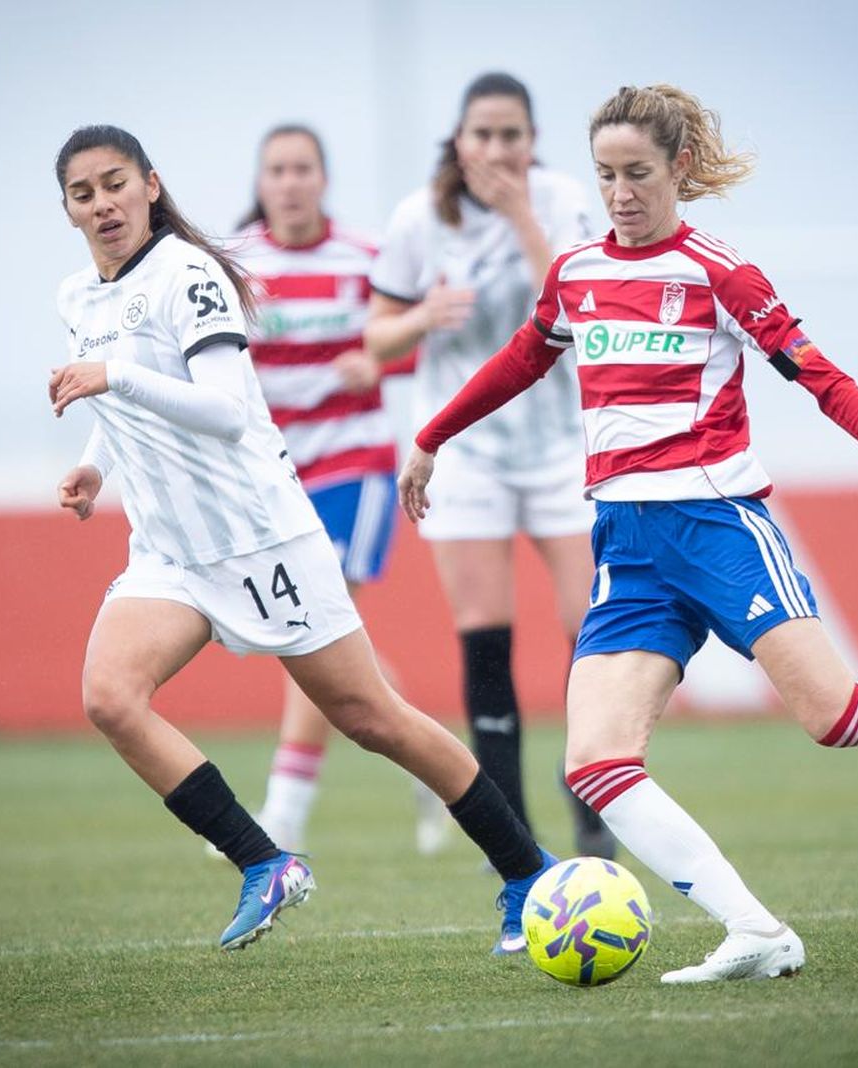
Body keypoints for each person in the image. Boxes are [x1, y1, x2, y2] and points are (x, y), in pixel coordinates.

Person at [397, 85, 858, 983]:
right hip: (626, 545)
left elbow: (822, 377)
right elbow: (525, 358)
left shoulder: (720, 272)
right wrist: (430, 436)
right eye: (605, 176)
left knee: (841, 721)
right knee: (597, 762)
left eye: (637, 174)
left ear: (678, 168)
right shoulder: (577, 272)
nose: (620, 194)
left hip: (719, 527)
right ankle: (758, 934)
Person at [47, 124, 553, 955]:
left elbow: (224, 408)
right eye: (83, 193)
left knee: (372, 717)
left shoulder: (188, 273)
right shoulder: (78, 297)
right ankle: (263, 861)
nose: (102, 204)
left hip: (259, 538)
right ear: (67, 210)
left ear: (150, 184)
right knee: (109, 696)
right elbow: (120, 397)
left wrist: (115, 378)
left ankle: (525, 869)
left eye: (115, 184)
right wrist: (95, 467)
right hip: (171, 551)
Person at [365, 72, 614, 858]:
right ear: (459, 140)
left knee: (593, 629)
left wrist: (517, 215)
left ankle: (592, 810)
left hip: (560, 449)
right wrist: (419, 317)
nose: (499, 149)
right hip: (464, 452)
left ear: (533, 141)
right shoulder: (418, 218)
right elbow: (374, 341)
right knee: (486, 642)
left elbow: (580, 307)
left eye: (513, 134)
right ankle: (517, 843)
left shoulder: (563, 197)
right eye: (484, 134)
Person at [230, 123, 449, 856]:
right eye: (277, 170)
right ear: (261, 183)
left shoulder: (364, 261)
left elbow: (424, 343)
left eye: (302, 168)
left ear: (324, 179)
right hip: (272, 479)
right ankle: (433, 763)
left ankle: (283, 812)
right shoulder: (232, 268)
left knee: (307, 626)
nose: (290, 181)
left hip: (354, 468)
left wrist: (378, 365)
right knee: (323, 638)